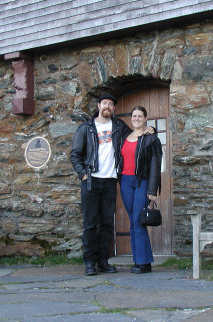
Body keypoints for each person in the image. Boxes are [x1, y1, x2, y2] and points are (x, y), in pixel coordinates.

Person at [70, 94, 154, 276]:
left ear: (114, 109)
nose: (107, 106)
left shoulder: (118, 127)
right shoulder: (85, 128)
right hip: (91, 181)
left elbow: (136, 133)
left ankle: (103, 261)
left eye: (111, 104)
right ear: (99, 105)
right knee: (91, 223)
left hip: (110, 181)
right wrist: (83, 174)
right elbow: (75, 154)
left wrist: (151, 128)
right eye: (105, 103)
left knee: (107, 224)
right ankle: (90, 262)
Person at [117, 106, 162, 274]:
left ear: (145, 119)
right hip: (125, 181)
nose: (136, 118)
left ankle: (144, 262)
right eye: (134, 116)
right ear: (131, 118)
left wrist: (152, 189)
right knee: (133, 221)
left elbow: (155, 165)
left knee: (138, 220)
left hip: (142, 181)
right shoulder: (124, 136)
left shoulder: (151, 139)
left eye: (140, 116)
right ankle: (139, 260)